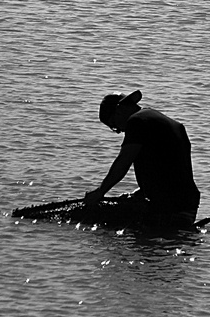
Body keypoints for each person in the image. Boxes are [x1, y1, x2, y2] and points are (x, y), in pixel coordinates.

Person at [84, 89, 201, 226]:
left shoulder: (136, 122)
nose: (120, 131)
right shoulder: (159, 121)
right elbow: (171, 169)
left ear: (118, 111)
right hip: (187, 201)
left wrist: (100, 192)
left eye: (114, 126)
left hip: (168, 204)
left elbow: (123, 162)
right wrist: (140, 193)